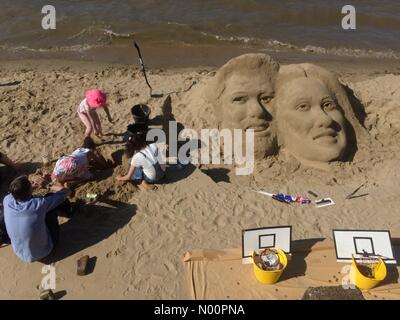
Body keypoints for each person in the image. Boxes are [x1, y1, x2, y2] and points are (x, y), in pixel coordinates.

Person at [2, 176, 71, 263]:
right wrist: (48, 185)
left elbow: (16, 194)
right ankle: (69, 211)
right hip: (45, 251)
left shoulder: (7, 200)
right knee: (50, 202)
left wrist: (31, 188)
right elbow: (67, 191)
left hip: (20, 253)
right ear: (29, 190)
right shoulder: (38, 204)